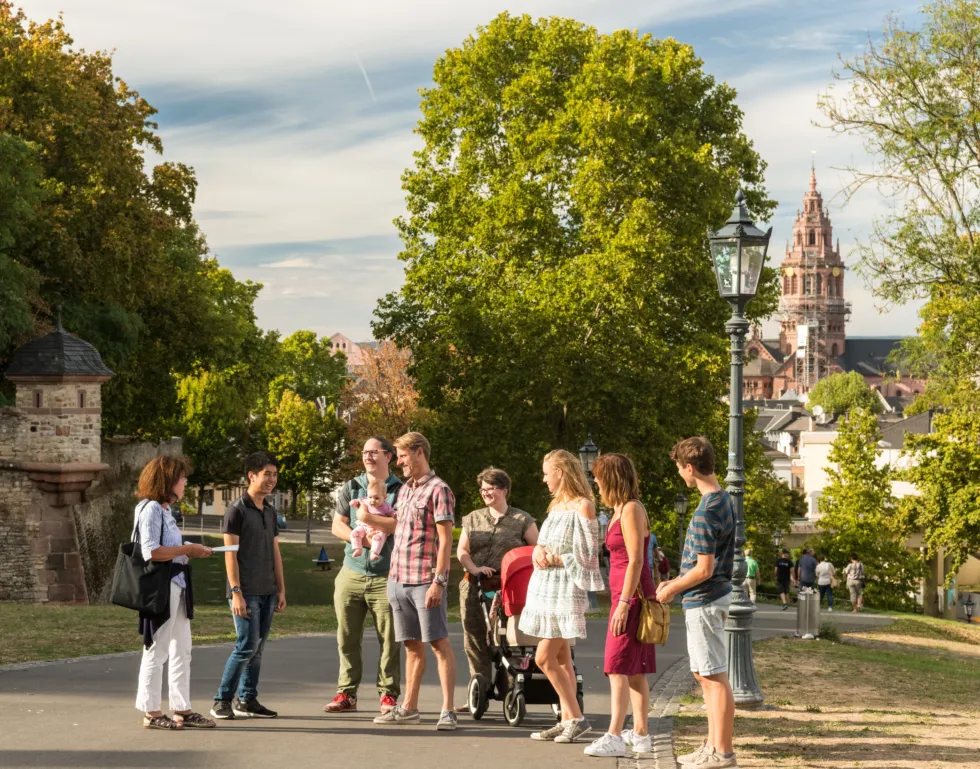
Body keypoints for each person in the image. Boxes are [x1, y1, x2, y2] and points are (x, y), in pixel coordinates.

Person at [657, 437, 738, 768]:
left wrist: (672, 589)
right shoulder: (723, 499)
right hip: (709, 597)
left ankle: (722, 753)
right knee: (706, 674)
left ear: (689, 468)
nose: (680, 474)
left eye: (679, 468)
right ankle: (713, 746)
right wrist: (676, 581)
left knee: (713, 677)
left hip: (705, 600)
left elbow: (704, 569)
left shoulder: (707, 511)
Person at [373, 432, 459, 731]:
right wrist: (367, 519)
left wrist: (439, 581)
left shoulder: (439, 490)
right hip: (398, 579)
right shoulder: (404, 491)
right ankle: (409, 707)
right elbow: (397, 527)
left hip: (424, 580)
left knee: (438, 644)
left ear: (419, 452)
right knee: (411, 646)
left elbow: (446, 541)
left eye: (402, 456)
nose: (399, 462)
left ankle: (448, 710)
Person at [520, 449, 603, 745]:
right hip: (546, 588)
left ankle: (577, 719)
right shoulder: (555, 507)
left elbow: (589, 554)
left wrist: (555, 558)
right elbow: (542, 542)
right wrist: (538, 550)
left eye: (547, 473)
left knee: (543, 657)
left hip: (566, 589)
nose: (544, 479)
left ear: (561, 472)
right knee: (562, 659)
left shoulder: (584, 506)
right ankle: (567, 719)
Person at [133, 455, 215, 730]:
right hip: (161, 586)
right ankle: (151, 712)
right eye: (182, 478)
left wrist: (187, 551)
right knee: (157, 648)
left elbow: (167, 549)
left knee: (182, 648)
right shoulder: (151, 509)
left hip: (176, 584)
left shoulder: (164, 510)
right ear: (167, 481)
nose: (185, 483)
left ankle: (182, 708)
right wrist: (187, 549)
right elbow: (151, 551)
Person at [583, 454, 656, 758]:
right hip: (622, 596)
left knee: (616, 666)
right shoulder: (617, 510)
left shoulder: (631, 509)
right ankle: (641, 734)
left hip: (631, 598)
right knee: (634, 669)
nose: (596, 483)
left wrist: (625, 603)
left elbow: (636, 560)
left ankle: (614, 735)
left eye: (599, 477)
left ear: (611, 478)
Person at [325, 436, 402, 714]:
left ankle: (388, 695)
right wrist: (364, 541)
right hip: (352, 572)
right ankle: (346, 693)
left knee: (390, 640)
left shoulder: (401, 490)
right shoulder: (352, 487)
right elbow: (337, 526)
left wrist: (369, 521)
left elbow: (398, 525)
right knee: (346, 637)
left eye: (374, 452)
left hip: (386, 575)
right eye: (365, 452)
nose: (368, 456)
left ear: (389, 456)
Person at [211, 451, 286, 720]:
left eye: (275, 475)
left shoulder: (270, 511)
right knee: (246, 646)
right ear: (251, 476)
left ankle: (247, 699)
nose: (272, 479)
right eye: (267, 474)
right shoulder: (236, 510)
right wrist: (236, 592)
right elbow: (229, 554)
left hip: (267, 590)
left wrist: (281, 589)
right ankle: (221, 700)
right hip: (245, 592)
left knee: (258, 649)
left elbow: (275, 552)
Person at [457, 467, 538, 686]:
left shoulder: (522, 519)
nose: (485, 493)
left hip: (508, 589)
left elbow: (537, 551)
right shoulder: (472, 518)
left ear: (504, 489)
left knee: (507, 637)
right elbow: (462, 550)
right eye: (482, 489)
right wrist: (474, 568)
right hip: (474, 586)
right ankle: (479, 688)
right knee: (474, 638)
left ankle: (510, 685)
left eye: (490, 488)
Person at [350, 477, 396, 561]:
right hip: (364, 526)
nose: (372, 500)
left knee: (378, 538)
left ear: (384, 498)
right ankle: (357, 548)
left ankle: (374, 552)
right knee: (355, 533)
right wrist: (354, 502)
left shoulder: (386, 506)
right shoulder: (365, 501)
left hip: (379, 528)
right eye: (370, 497)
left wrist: (393, 514)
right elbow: (358, 501)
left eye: (376, 498)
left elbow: (391, 512)